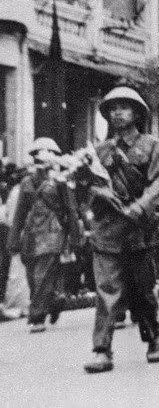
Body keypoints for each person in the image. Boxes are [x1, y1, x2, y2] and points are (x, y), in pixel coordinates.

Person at [84, 87, 159, 374]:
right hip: (108, 229)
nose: (117, 112)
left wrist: (141, 206)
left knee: (144, 292)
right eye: (112, 108)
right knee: (107, 290)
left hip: (140, 230)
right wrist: (99, 191)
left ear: (137, 113)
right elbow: (87, 183)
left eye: (124, 107)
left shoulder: (153, 146)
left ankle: (153, 337)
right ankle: (102, 350)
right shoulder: (100, 150)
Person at [6, 138, 81, 333]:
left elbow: (71, 209)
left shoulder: (61, 181)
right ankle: (54, 300)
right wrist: (13, 239)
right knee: (33, 277)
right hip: (31, 234)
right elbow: (20, 213)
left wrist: (75, 236)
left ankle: (37, 316)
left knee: (43, 275)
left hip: (53, 232)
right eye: (38, 154)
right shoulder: (27, 182)